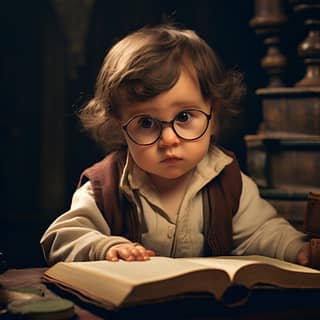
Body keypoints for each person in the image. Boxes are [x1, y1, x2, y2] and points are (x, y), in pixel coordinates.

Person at [40, 24, 310, 266]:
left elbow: (263, 233)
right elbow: (61, 238)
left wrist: (299, 251)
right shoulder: (104, 187)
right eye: (146, 123)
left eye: (184, 117)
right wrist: (104, 246)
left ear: (213, 118)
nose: (169, 140)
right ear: (119, 128)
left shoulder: (228, 180)